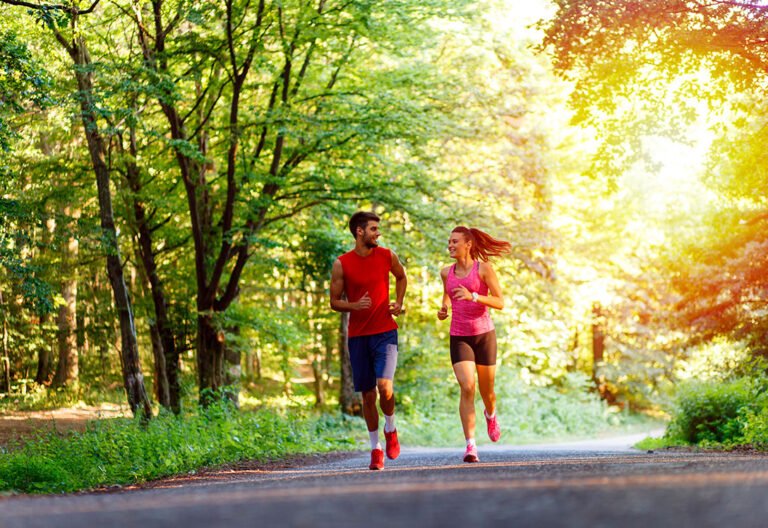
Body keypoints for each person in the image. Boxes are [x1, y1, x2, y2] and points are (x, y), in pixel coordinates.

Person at [330, 211, 407, 470]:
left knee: (385, 387)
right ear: (359, 232)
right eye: (373, 229)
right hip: (358, 337)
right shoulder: (342, 263)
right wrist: (354, 305)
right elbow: (334, 301)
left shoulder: (386, 255)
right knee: (367, 395)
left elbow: (402, 276)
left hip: (385, 331)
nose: (378, 233)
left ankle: (391, 428)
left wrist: (399, 302)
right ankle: (375, 448)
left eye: (378, 229)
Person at [437, 226, 510, 463]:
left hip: (484, 335)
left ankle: (491, 414)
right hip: (459, 335)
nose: (450, 245)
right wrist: (445, 307)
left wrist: (474, 296)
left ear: (468, 244)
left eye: (454, 241)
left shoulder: (484, 269)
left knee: (487, 391)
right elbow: (448, 292)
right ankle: (471, 446)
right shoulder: (445, 272)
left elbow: (500, 302)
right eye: (449, 241)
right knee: (467, 386)